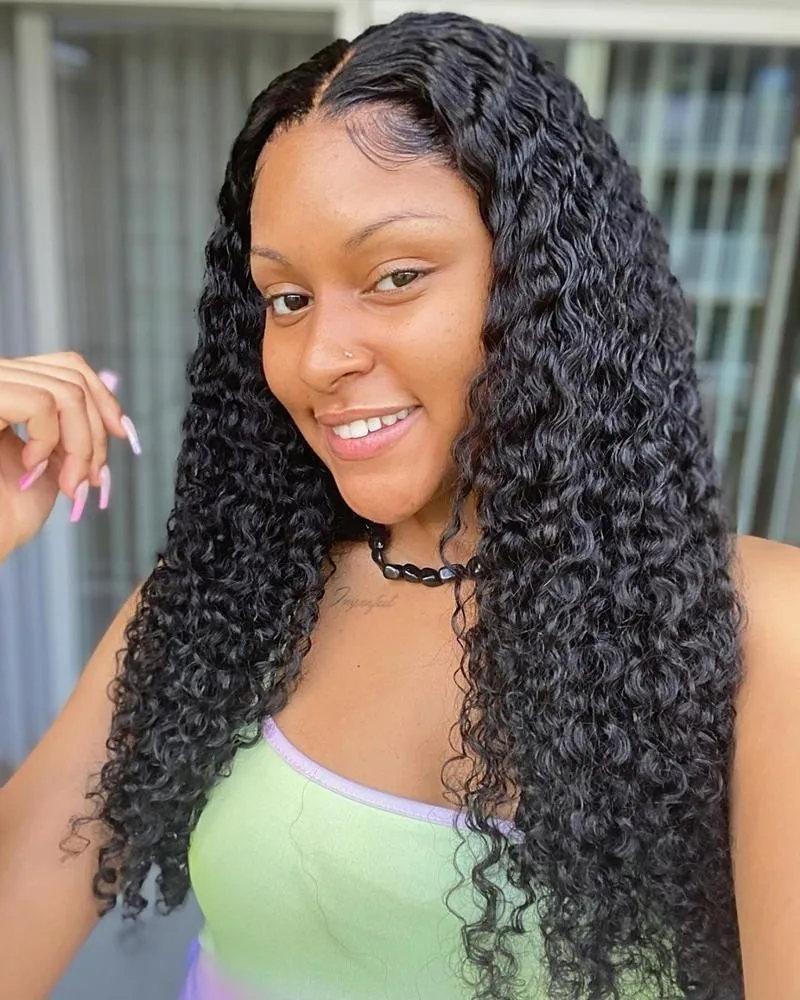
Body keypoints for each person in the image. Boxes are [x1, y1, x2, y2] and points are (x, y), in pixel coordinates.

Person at [1, 10, 799, 1000]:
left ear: (544, 282)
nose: (319, 357)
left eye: (393, 277)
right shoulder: (227, 600)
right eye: (287, 299)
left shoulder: (756, 631)